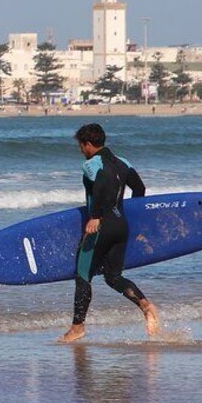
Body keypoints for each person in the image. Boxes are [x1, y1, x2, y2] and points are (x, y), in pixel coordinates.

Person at [59, 123, 160, 343]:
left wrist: (95, 216)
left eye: (80, 145)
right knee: (113, 277)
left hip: (101, 227)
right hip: (121, 226)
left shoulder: (91, 164)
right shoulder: (123, 162)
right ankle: (146, 306)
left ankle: (77, 327)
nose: (80, 150)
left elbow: (102, 183)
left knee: (83, 275)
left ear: (87, 144)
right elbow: (140, 189)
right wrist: (128, 215)